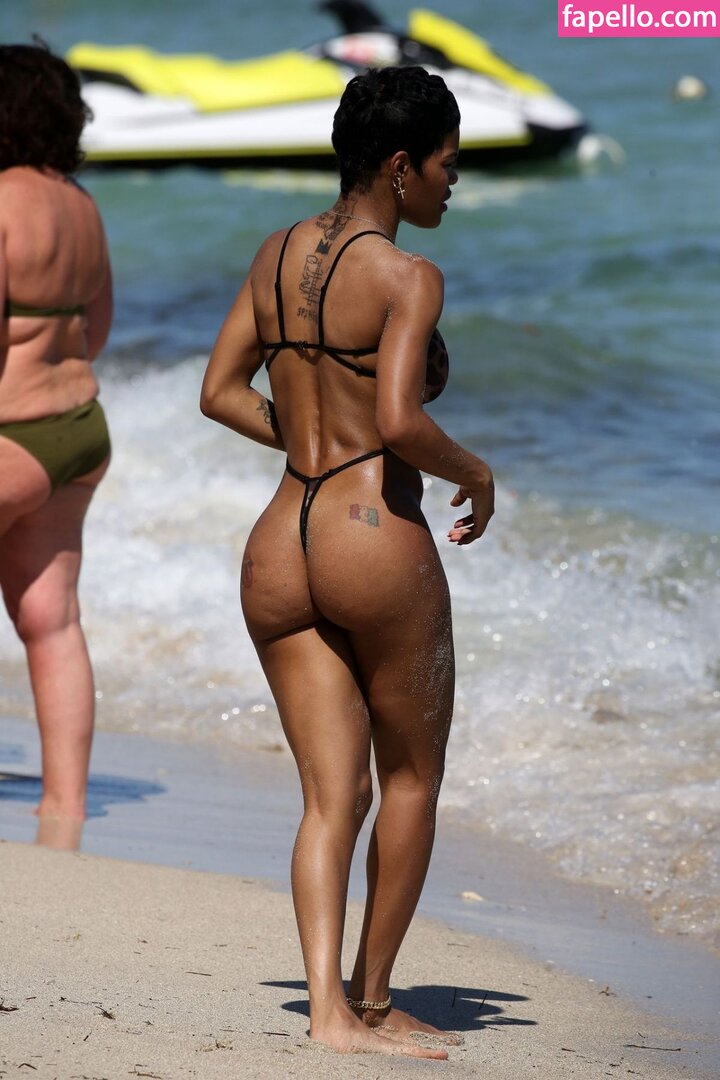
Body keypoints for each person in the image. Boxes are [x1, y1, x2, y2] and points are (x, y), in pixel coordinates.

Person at [201, 65, 494, 1058]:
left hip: (281, 535)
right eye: (447, 164)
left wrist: (304, 437)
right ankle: (369, 1002)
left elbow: (218, 390)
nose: (453, 182)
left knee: (332, 798)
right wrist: (477, 473)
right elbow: (402, 422)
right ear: (401, 166)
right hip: (370, 532)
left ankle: (323, 1011)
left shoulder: (274, 253)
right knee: (409, 777)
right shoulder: (408, 276)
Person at [0, 43, 113, 845]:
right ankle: (64, 811)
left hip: (11, 434)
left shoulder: (0, 201)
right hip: (79, 430)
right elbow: (95, 329)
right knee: (52, 620)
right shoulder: (82, 207)